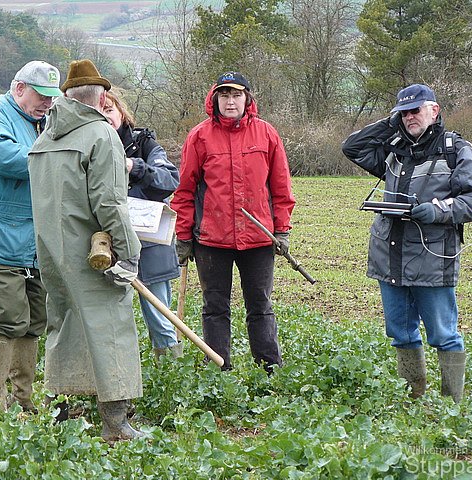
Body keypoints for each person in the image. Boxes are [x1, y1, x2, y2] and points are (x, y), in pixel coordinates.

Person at [341, 84, 472, 403]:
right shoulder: (393, 148)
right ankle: (413, 399)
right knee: (401, 334)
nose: (410, 117)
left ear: (434, 111)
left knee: (444, 336)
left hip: (432, 259)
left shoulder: (457, 150)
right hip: (389, 256)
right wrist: (390, 122)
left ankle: (454, 405)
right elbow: (352, 147)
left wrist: (436, 211)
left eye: (415, 110)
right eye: (403, 112)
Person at [28, 59, 144, 442]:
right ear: (103, 95)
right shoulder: (100, 134)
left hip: (51, 251)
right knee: (110, 326)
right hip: (94, 254)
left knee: (63, 325)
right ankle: (116, 424)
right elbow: (109, 202)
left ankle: (59, 415)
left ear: (67, 96)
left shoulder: (44, 138)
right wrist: (128, 252)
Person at [170, 72, 296, 372]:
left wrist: (282, 229)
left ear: (247, 99)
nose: (230, 101)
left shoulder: (267, 135)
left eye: (236, 95)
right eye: (224, 95)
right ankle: (218, 369)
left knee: (260, 306)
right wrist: (184, 235)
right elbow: (185, 190)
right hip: (212, 240)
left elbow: (281, 188)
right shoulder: (199, 137)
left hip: (259, 238)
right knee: (215, 308)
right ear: (215, 99)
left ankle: (269, 369)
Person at [0, 60, 62, 411]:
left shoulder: (45, 122)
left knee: (36, 318)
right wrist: (59, 159)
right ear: (19, 87)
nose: (48, 103)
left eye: (53, 97)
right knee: (8, 315)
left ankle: (24, 399)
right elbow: (4, 159)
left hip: (36, 240)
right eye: (41, 95)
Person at [102, 91, 183, 360]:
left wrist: (133, 167)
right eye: (99, 111)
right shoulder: (88, 148)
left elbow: (168, 180)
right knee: (109, 320)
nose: (106, 116)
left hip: (149, 248)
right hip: (105, 249)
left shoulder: (145, 145)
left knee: (160, 318)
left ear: (122, 113)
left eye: (110, 109)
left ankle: (171, 377)